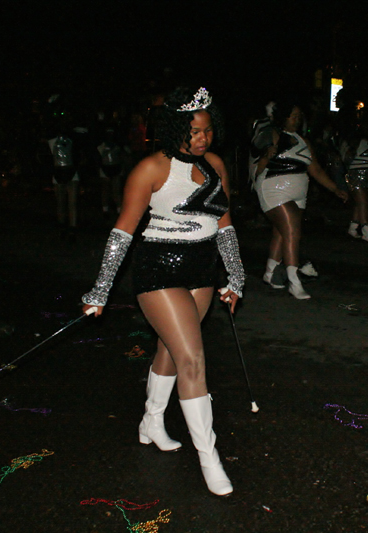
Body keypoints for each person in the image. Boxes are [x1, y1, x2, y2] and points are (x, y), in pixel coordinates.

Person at [81, 87, 244, 496]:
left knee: (171, 350)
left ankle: (152, 420)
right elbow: (122, 232)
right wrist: (101, 289)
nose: (203, 138)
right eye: (194, 131)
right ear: (174, 128)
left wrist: (235, 275)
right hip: (160, 269)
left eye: (208, 130)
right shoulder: (151, 168)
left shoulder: (215, 165)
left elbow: (224, 224)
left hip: (202, 268)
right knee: (192, 358)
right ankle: (209, 456)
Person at [253, 100, 348, 299]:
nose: (297, 120)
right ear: (283, 117)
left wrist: (335, 189)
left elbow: (316, 170)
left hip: (298, 194)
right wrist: (266, 156)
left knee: (281, 232)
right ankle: (294, 281)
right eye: (293, 116)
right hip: (274, 188)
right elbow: (259, 163)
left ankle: (270, 273)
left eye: (299, 117)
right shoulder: (273, 134)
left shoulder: (304, 141)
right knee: (292, 232)